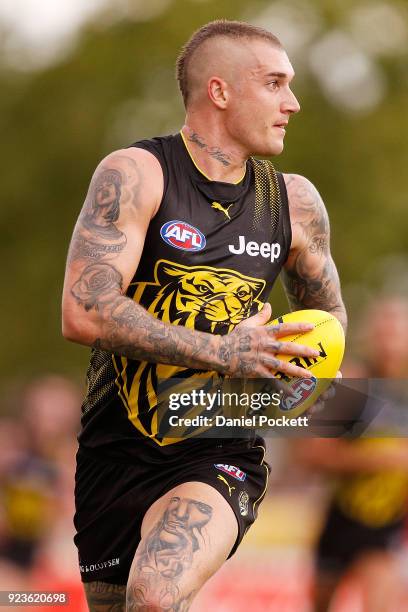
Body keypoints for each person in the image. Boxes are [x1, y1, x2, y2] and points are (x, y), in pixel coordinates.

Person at [62, 19, 346, 611]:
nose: (292, 103)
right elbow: (84, 311)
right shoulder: (138, 172)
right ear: (220, 92)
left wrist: (287, 381)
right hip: (114, 451)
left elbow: (328, 320)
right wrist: (224, 349)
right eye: (274, 84)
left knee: (155, 594)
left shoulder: (291, 201)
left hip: (219, 446)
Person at [293, 296, 408, 612]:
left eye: (396, 333)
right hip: (342, 518)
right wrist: (380, 459)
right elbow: (310, 454)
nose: (390, 344)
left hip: (386, 526)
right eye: (383, 333)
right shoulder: (353, 384)